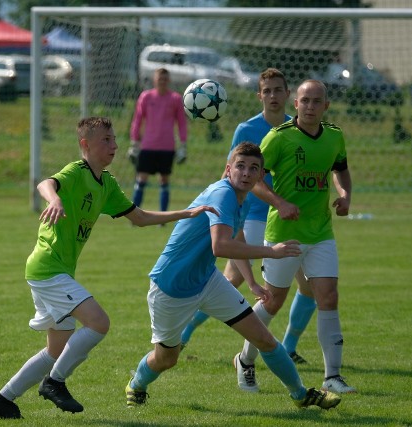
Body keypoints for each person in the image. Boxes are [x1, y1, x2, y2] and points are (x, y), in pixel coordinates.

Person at [0, 117, 215, 419]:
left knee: (56, 351)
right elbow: (45, 183)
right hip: (47, 269)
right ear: (86, 145)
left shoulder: (106, 184)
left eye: (115, 139)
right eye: (106, 139)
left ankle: (3, 399)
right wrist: (54, 199)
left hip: (55, 272)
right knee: (99, 323)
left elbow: (140, 217)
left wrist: (187, 213)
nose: (114, 145)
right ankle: (54, 382)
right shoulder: (76, 172)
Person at [125, 142, 341, 411]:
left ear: (262, 176)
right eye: (240, 166)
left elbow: (235, 236)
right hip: (171, 287)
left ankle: (300, 395)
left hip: (207, 280)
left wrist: (251, 282)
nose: (247, 173)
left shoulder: (244, 198)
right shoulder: (222, 194)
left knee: (263, 338)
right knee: (167, 358)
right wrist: (271, 252)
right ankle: (137, 384)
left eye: (254, 168)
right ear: (228, 170)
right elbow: (221, 246)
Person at [180, 68, 315, 368]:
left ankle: (289, 346)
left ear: (288, 94)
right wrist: (224, 207)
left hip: (291, 218)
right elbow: (229, 173)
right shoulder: (247, 128)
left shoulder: (297, 129)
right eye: (267, 91)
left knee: (310, 286)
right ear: (259, 95)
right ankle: (184, 331)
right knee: (234, 279)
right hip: (254, 215)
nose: (273, 96)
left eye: (278, 90)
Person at [235, 79, 356, 395]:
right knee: (273, 302)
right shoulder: (278, 138)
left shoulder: (334, 136)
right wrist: (280, 202)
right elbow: (254, 180)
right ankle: (245, 359)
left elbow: (340, 168)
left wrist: (345, 194)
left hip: (321, 233)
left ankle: (332, 376)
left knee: (328, 297)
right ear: (296, 104)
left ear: (326, 106)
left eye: (317, 101)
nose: (311, 107)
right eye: (306, 101)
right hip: (283, 235)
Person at [128, 67, 188, 212]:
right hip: (148, 146)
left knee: (164, 181)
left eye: (165, 79)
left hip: (167, 147)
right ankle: (134, 215)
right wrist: (134, 142)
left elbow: (181, 123)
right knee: (141, 179)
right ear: (155, 80)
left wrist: (183, 144)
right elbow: (137, 119)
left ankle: (162, 218)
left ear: (169, 81)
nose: (162, 82)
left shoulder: (175, 99)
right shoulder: (146, 97)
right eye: (160, 79)